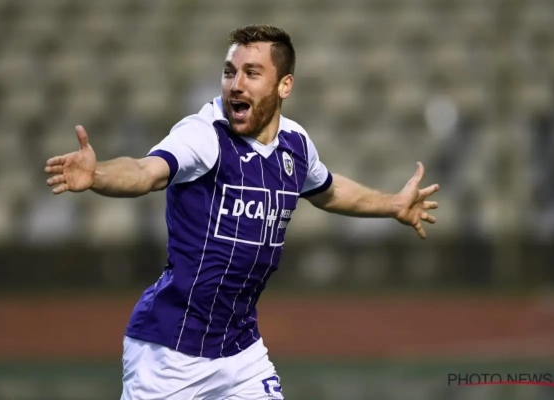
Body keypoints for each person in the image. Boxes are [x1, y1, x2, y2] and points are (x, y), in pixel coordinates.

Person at [44, 24, 439, 400]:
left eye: (252, 73)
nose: (236, 84)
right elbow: (146, 171)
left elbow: (329, 190)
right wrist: (97, 175)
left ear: (284, 85)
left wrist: (392, 204)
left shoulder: (296, 145)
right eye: (230, 71)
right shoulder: (204, 135)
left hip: (239, 349)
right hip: (169, 351)